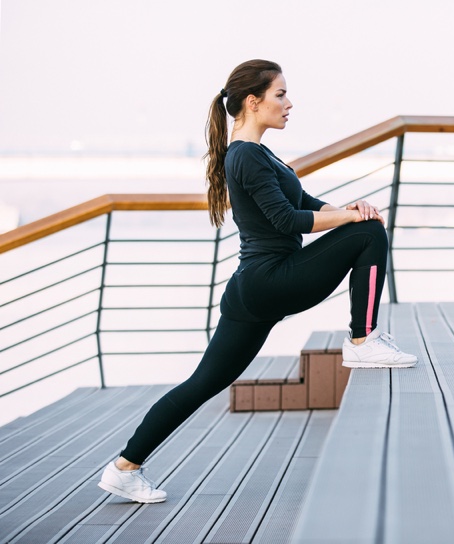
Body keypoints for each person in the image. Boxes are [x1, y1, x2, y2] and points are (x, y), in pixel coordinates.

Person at [98, 60, 417, 504]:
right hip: (270, 280)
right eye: (280, 94)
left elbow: (303, 201)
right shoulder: (245, 154)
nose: (289, 103)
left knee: (203, 382)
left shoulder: (257, 152)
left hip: (253, 291)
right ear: (254, 101)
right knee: (369, 233)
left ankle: (124, 467)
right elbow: (289, 220)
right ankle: (363, 341)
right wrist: (355, 218)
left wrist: (348, 207)